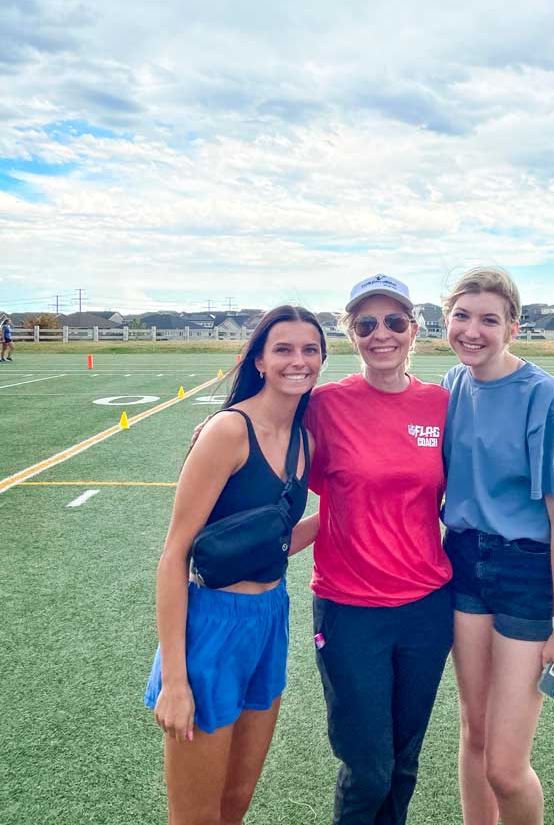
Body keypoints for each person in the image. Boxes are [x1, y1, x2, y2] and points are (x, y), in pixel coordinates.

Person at [144, 305, 326, 825]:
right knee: (195, 817)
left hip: (269, 621)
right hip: (210, 628)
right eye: (284, 349)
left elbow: (269, 545)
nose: (299, 360)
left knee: (235, 804)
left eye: (310, 350)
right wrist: (176, 682)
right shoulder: (228, 431)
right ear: (260, 361)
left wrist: (349, 514)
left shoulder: (304, 441)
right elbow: (174, 556)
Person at [440, 268, 554, 825]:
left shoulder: (544, 397)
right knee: (474, 732)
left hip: (523, 573)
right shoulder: (451, 386)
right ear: (445, 320)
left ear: (513, 327)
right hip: (460, 561)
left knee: (505, 765)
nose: (472, 331)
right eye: (462, 316)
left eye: (489, 319)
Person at [305, 274, 454, 825]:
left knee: (403, 763)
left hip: (426, 608)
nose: (381, 334)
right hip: (349, 611)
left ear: (415, 329)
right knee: (367, 768)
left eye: (394, 322)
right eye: (366, 324)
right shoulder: (326, 405)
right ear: (351, 333)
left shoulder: (441, 404)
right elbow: (274, 446)